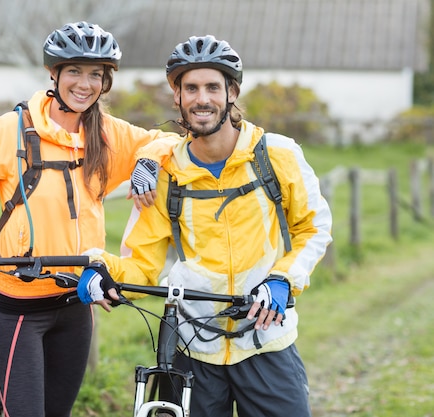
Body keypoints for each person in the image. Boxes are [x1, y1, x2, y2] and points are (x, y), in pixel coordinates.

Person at [78, 35, 333, 417]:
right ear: (177, 97)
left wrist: (282, 278)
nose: (202, 99)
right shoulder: (165, 173)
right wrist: (99, 268)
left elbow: (314, 229)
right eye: (191, 88)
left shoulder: (277, 155)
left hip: (266, 342)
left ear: (231, 92)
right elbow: (143, 267)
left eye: (213, 87)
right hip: (192, 349)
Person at [0, 21, 178, 417]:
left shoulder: (107, 135)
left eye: (96, 75)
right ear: (54, 73)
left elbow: (169, 138)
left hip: (76, 303)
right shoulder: (10, 130)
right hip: (19, 304)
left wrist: (148, 162)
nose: (85, 84)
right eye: (75, 72)